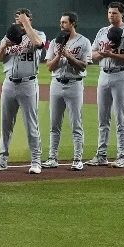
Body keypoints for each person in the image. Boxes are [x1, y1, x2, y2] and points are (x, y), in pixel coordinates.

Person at [0, 9, 48, 174]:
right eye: (17, 17)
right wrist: (4, 45)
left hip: (28, 84)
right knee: (6, 125)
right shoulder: (8, 35)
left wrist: (26, 24)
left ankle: (36, 161)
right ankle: (2, 160)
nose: (19, 20)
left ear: (30, 18)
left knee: (31, 124)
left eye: (22, 17)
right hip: (9, 83)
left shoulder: (38, 34)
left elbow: (39, 44)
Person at [90, 2, 124, 166]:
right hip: (103, 75)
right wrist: (102, 54)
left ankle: (121, 156)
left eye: (114, 13)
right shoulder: (102, 32)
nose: (111, 15)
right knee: (102, 118)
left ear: (122, 14)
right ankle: (101, 155)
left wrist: (114, 55)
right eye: (109, 13)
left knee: (120, 117)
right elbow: (93, 55)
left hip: (121, 75)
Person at [45, 12, 90, 170]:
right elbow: (49, 66)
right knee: (54, 124)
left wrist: (69, 56)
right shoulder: (55, 42)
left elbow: (84, 65)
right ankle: (52, 158)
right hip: (56, 83)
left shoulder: (83, 41)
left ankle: (78, 159)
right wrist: (59, 56)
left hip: (74, 84)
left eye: (64, 22)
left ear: (73, 23)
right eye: (60, 22)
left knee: (76, 124)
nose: (61, 25)